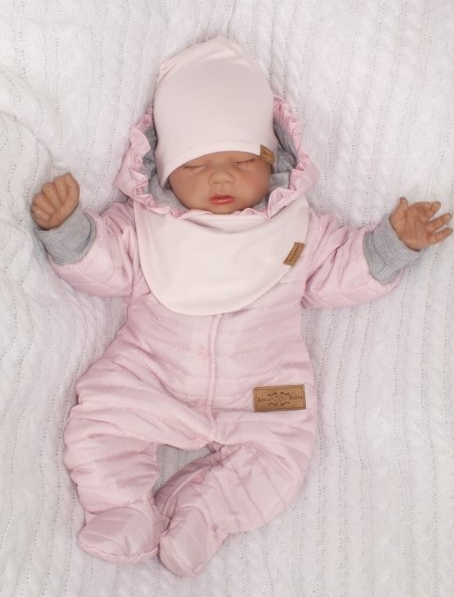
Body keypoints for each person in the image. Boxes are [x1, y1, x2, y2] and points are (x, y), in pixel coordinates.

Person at [30, 37, 452, 577]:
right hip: (151, 374)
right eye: (197, 164)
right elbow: (105, 263)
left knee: (282, 455)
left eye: (241, 160)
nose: (221, 176)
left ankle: (204, 512)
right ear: (164, 171)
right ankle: (122, 508)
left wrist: (392, 246)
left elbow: (337, 269)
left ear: (274, 160)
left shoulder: (297, 231)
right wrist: (67, 230)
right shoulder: (143, 228)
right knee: (99, 422)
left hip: (262, 388)